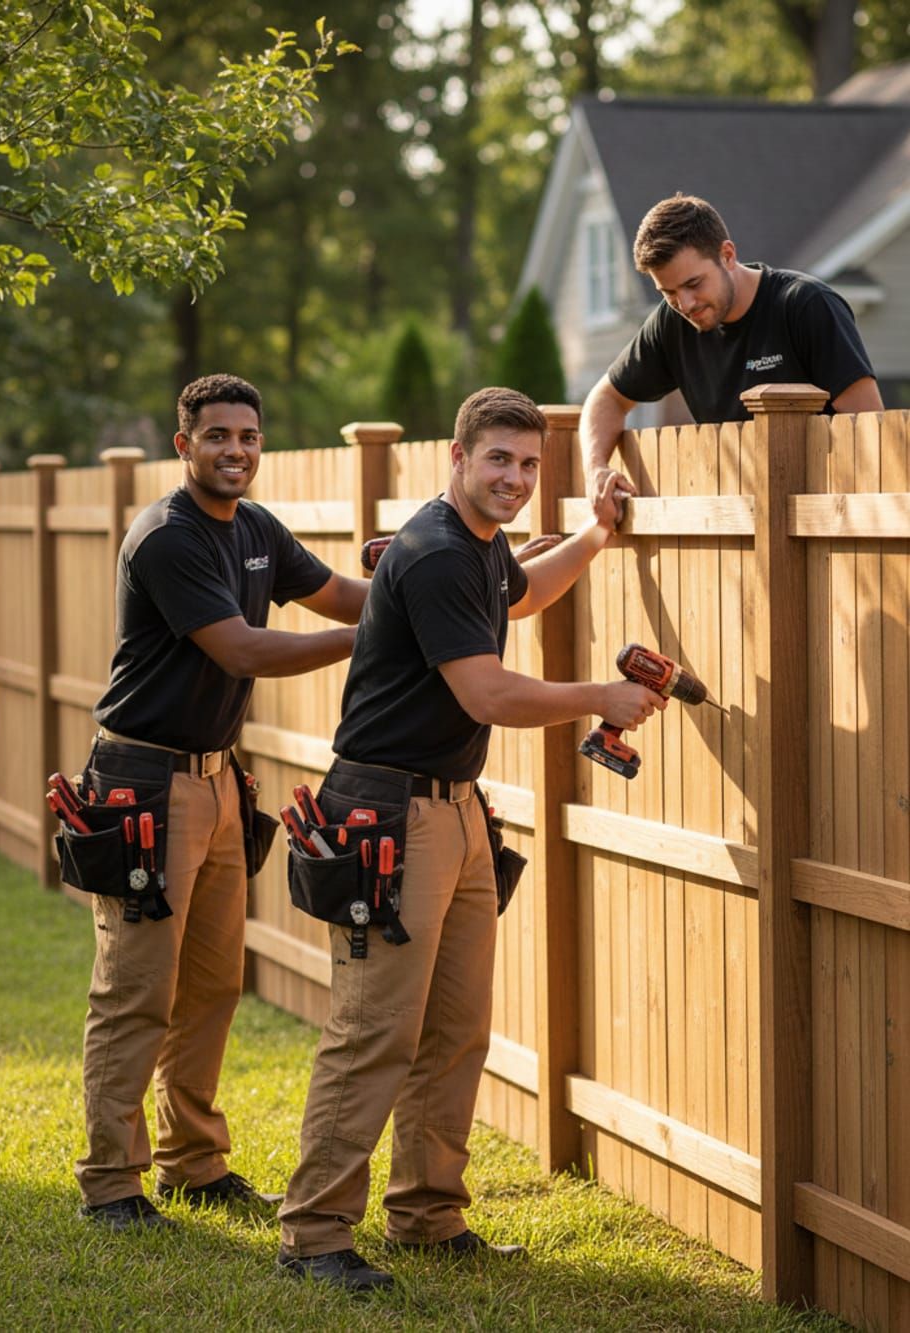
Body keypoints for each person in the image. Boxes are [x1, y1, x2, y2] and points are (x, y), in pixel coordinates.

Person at [276, 386, 665, 1291]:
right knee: (374, 1030)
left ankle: (426, 1213)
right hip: (387, 816)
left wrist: (597, 534)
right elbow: (487, 694)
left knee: (456, 1028)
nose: (516, 479)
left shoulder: (484, 548)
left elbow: (523, 595)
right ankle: (314, 1233)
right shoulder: (437, 552)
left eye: (529, 464)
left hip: (454, 809)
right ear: (457, 457)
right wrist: (599, 697)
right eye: (499, 459)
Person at [75, 373, 369, 1230]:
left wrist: (446, 576)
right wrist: (370, 639)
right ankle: (111, 1182)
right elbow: (241, 649)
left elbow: (343, 594)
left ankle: (194, 1164)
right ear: (184, 445)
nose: (235, 450)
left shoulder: (256, 529)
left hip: (217, 782)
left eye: (248, 436)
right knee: (136, 989)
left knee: (211, 984)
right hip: (141, 786)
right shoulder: (167, 537)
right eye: (217, 436)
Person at [580, 193, 884, 519]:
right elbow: (606, 398)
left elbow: (870, 429)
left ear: (727, 255)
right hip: (737, 525)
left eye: (694, 283)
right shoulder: (671, 326)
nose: (685, 304)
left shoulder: (805, 306)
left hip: (833, 519)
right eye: (668, 293)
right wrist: (596, 469)